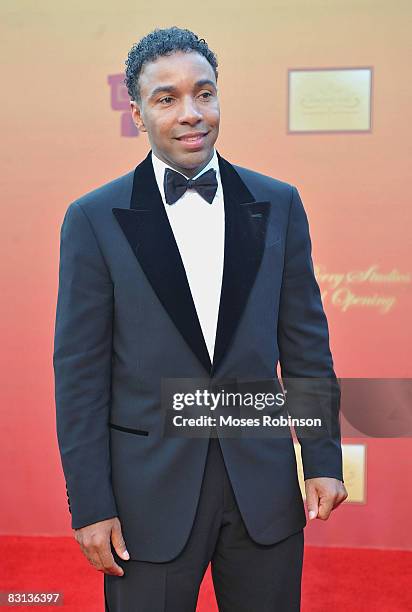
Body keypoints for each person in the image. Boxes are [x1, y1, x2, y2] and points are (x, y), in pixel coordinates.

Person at [53, 26, 348, 612]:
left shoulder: (279, 202)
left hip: (262, 490)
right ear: (137, 113)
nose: (191, 113)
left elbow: (306, 343)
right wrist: (90, 504)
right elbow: (80, 376)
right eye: (167, 99)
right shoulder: (93, 218)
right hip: (146, 500)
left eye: (204, 93)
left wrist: (321, 458)